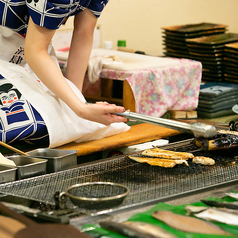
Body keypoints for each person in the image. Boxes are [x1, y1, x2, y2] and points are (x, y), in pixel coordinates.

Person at [0, 0, 127, 126]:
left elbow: (84, 34)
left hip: (31, 43)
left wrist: (77, 101)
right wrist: (80, 109)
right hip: (8, 39)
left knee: (58, 115)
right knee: (18, 121)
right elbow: (35, 52)